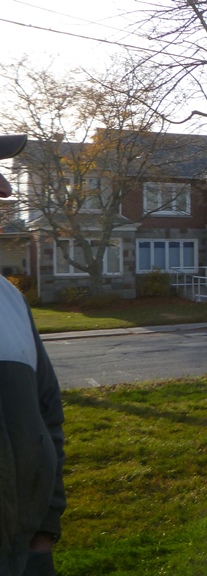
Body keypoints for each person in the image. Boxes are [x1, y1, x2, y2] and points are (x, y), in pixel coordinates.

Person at [0, 132, 67, 576]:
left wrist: (44, 528)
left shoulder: (9, 297)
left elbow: (48, 416)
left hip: (24, 552)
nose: (5, 190)